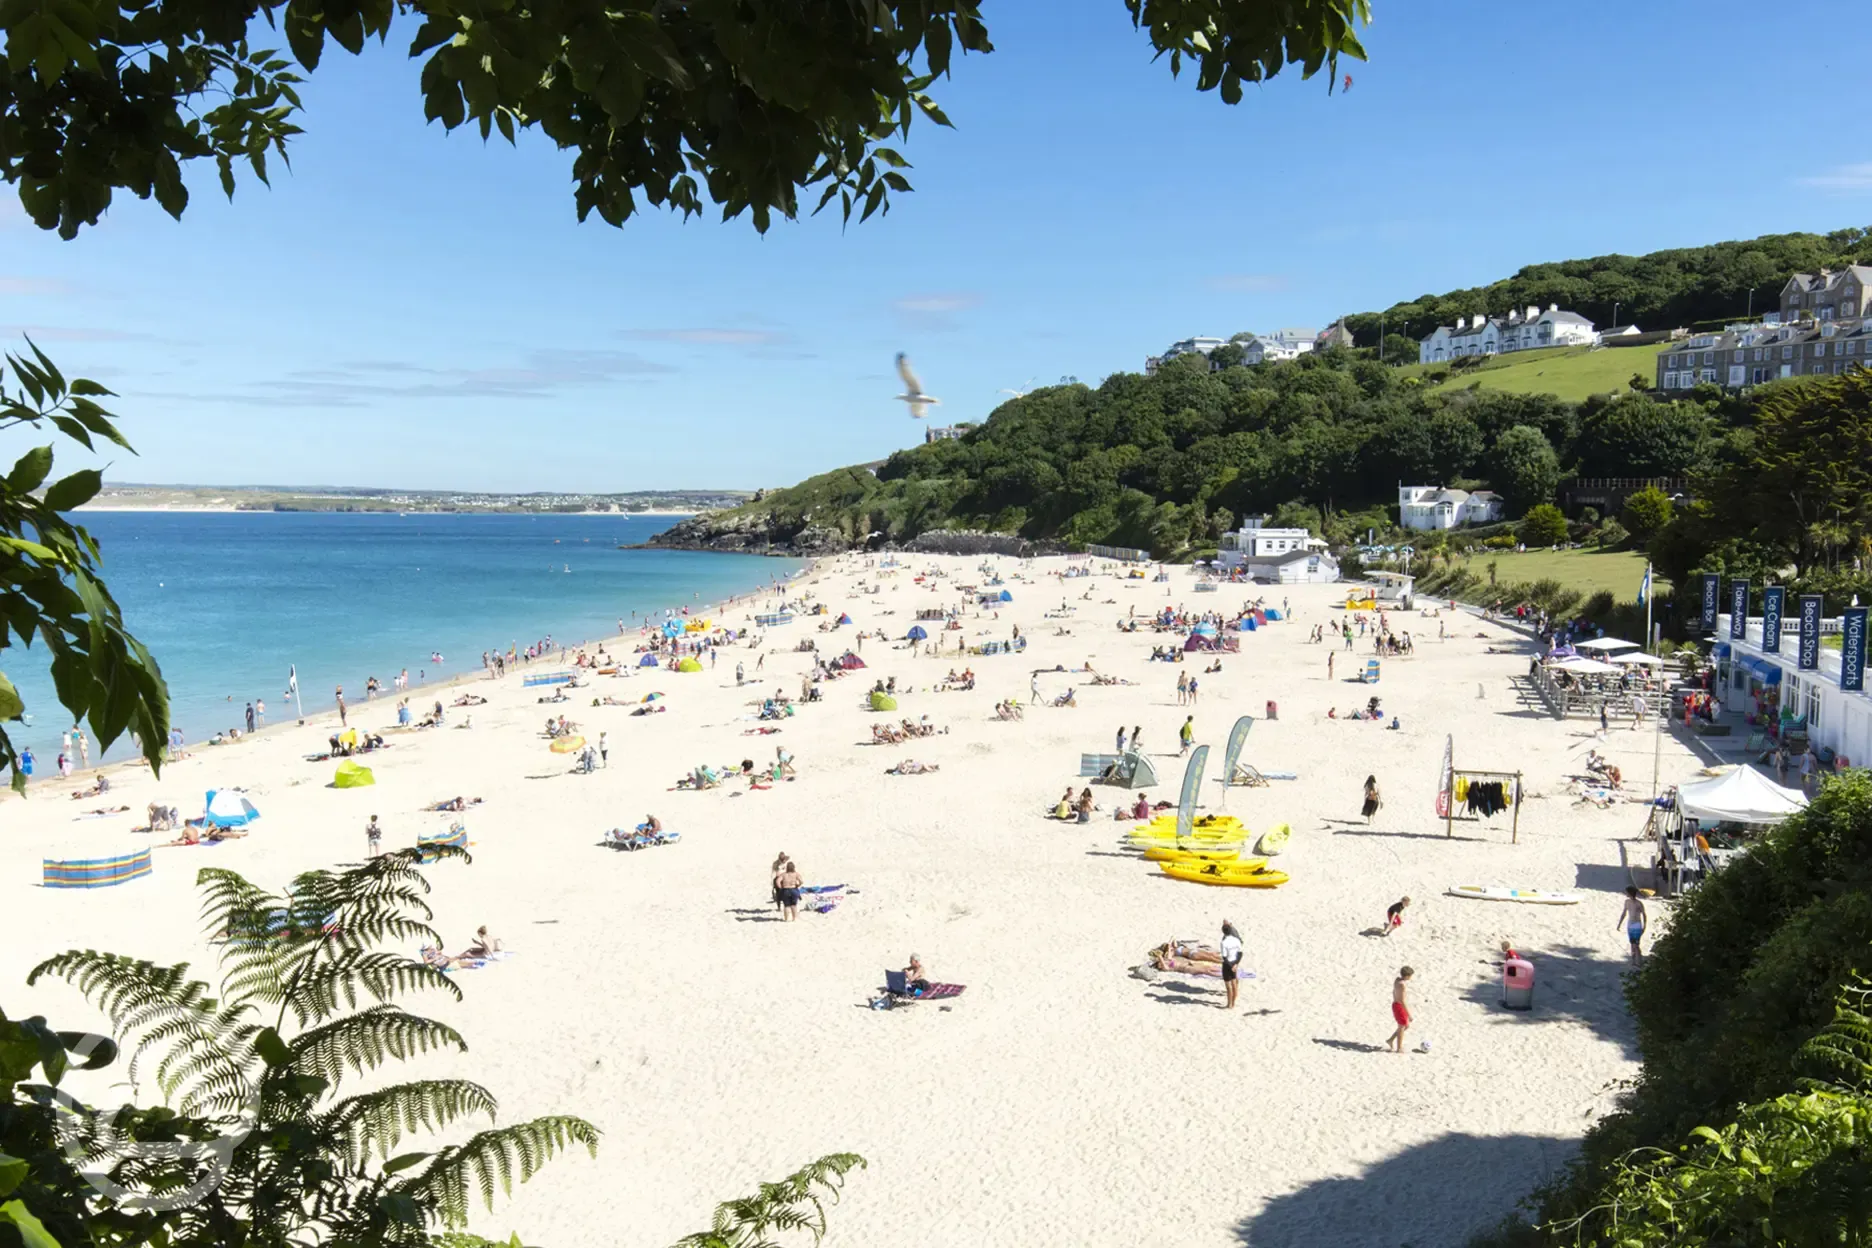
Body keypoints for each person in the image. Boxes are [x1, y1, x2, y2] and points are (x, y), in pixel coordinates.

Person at [1386, 966, 1414, 1053]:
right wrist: (1409, 1014)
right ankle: (1399, 1048)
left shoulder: (1397, 980)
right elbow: (1402, 1000)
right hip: (1399, 1006)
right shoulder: (1402, 985)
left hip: (1395, 1004)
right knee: (1402, 1027)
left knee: (1405, 1026)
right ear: (1406, 976)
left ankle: (1391, 1039)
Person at [1219, 920, 1244, 1009]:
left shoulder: (1223, 942)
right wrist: (1236, 964)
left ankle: (1229, 1004)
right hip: (1234, 962)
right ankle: (1233, 1002)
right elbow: (1240, 953)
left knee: (1228, 986)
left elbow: (1224, 958)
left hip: (1227, 965)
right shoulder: (1236, 940)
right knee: (1234, 983)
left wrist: (1231, 966)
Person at [1620, 886, 1647, 964]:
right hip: (1630, 925)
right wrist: (1619, 924)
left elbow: (1644, 915)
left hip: (1637, 925)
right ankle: (1634, 961)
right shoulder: (1626, 902)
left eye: (1627, 892)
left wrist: (1644, 926)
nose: (1626, 893)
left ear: (1630, 893)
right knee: (1632, 944)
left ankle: (1639, 960)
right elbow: (1624, 913)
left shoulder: (1639, 903)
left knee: (1636, 944)